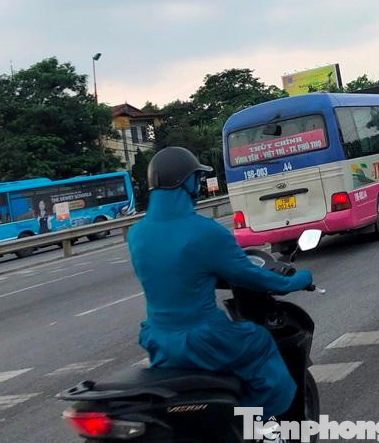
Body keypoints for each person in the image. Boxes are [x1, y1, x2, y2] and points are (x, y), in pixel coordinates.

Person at [127, 147, 313, 422]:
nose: (198, 185)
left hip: (158, 338)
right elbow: (250, 276)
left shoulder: (136, 234)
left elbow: (175, 272)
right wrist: (296, 280)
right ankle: (251, 425)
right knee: (260, 342)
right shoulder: (205, 232)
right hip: (203, 338)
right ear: (185, 183)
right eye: (196, 179)